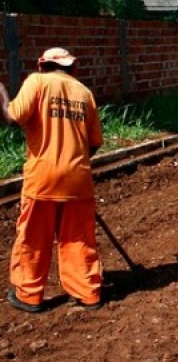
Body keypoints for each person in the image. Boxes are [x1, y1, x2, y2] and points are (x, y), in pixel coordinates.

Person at [0, 48, 104, 313]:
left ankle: (29, 295)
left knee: (34, 237)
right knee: (79, 238)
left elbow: (13, 117)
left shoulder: (37, 81)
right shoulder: (84, 93)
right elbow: (94, 143)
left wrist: (1, 94)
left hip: (43, 179)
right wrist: (74, 160)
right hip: (78, 179)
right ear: (72, 68)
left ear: (43, 65)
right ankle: (88, 293)